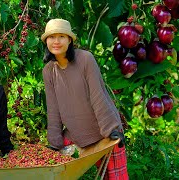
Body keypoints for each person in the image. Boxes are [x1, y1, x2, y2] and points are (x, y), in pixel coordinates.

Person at [41, 18, 129, 179]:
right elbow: (53, 109)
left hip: (104, 131)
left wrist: (111, 130)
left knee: (116, 177)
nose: (56, 41)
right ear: (46, 41)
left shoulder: (85, 59)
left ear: (70, 39)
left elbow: (98, 96)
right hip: (77, 134)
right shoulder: (48, 71)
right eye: (52, 37)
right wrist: (54, 144)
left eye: (61, 36)